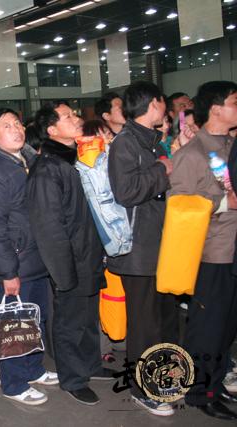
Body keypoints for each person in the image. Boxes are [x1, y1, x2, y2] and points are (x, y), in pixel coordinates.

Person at [29, 104, 114, 405]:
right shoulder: (47, 169)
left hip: (88, 255)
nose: (77, 119)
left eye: (74, 114)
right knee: (69, 323)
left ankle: (91, 365)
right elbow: (49, 228)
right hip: (70, 263)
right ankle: (72, 378)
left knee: (89, 318)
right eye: (68, 117)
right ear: (51, 130)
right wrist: (64, 275)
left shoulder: (74, 159)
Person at [0, 108, 56, 406]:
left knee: (33, 319)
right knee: (12, 325)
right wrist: (8, 271)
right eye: (7, 126)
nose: (17, 129)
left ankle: (33, 369)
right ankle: (14, 383)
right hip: (15, 262)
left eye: (18, 123)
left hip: (34, 258)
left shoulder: (23, 159)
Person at [107, 81, 178, 417]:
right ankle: (143, 389)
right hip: (137, 250)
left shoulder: (148, 140)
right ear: (154, 105)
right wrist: (163, 170)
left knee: (162, 320)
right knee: (144, 324)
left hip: (156, 245)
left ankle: (160, 378)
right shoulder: (126, 142)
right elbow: (127, 191)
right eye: (163, 102)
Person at [169, 81, 237, 420]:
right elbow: (178, 206)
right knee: (207, 328)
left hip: (232, 250)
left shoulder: (230, 145)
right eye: (234, 102)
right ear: (216, 109)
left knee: (226, 327)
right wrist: (225, 201)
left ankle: (217, 382)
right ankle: (199, 392)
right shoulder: (192, 154)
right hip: (212, 254)